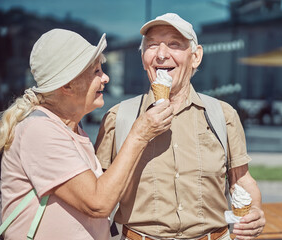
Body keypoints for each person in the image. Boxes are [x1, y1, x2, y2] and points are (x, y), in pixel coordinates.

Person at [95, 13, 265, 240]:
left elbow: (241, 180)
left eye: (174, 45)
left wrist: (253, 211)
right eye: (153, 45)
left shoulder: (222, 115)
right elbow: (98, 195)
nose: (162, 55)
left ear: (196, 57)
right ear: (144, 57)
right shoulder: (118, 117)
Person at [0, 28, 173, 239]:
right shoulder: (38, 131)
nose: (105, 78)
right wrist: (140, 134)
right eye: (96, 71)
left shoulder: (70, 129)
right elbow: (98, 203)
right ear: (68, 85)